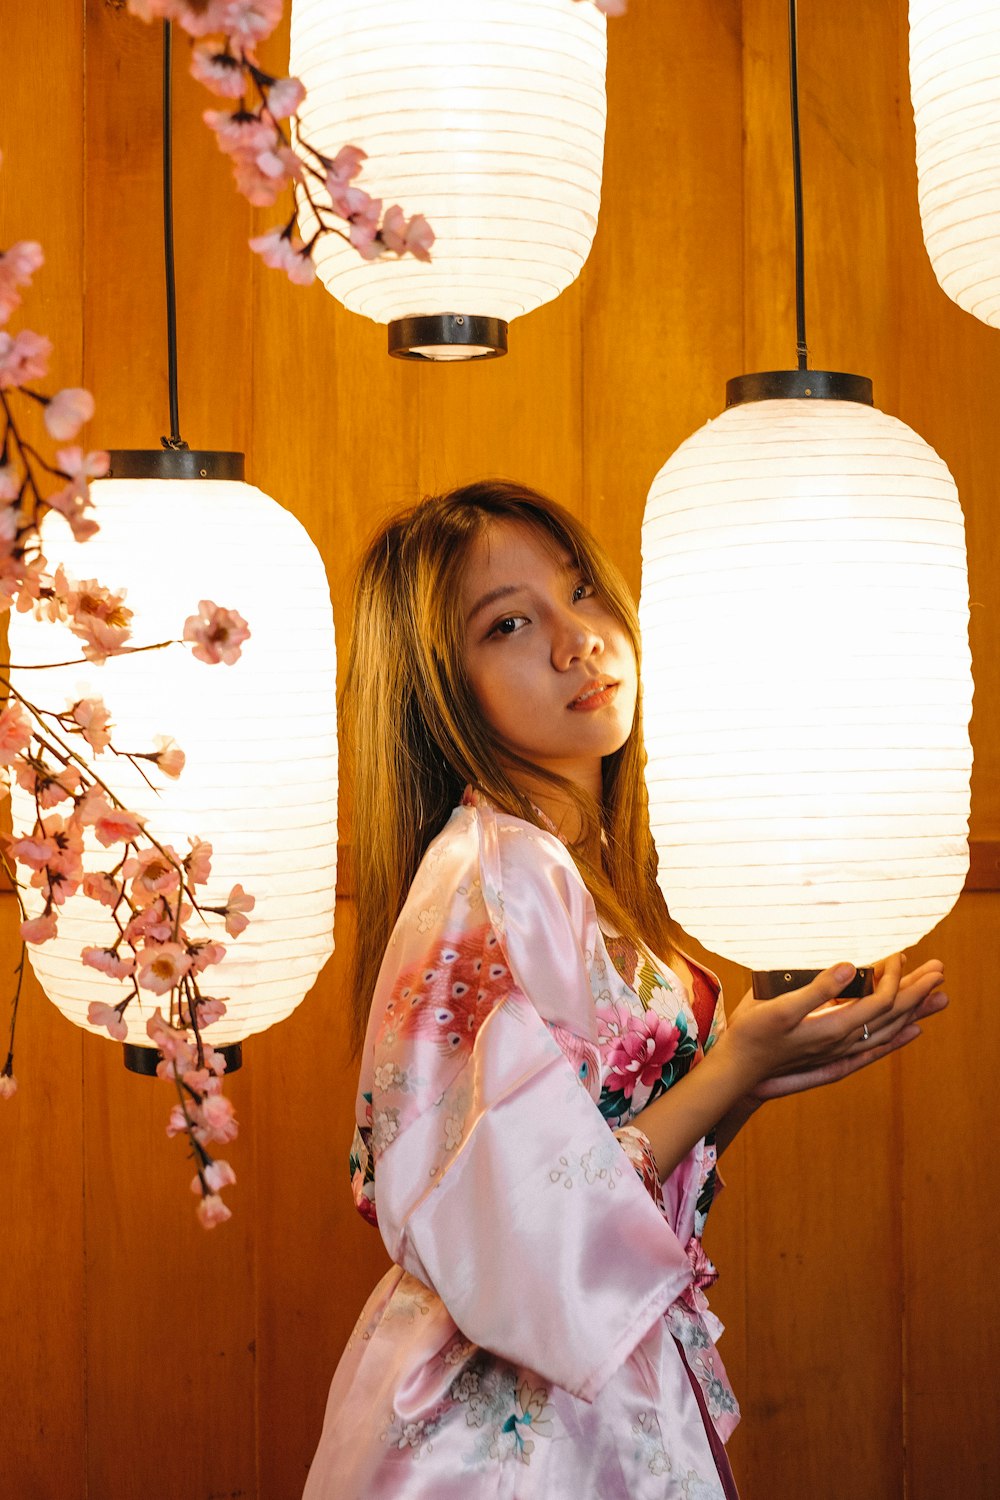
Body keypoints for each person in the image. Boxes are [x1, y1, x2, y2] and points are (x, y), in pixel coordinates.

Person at [303, 480, 947, 1500]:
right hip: (500, 1424)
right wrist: (733, 1067)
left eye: (583, 594)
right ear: (440, 688)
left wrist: (754, 1078)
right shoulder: (493, 874)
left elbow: (617, 1173)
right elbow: (505, 1206)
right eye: (509, 623)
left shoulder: (582, 868)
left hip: (609, 1369)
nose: (577, 642)